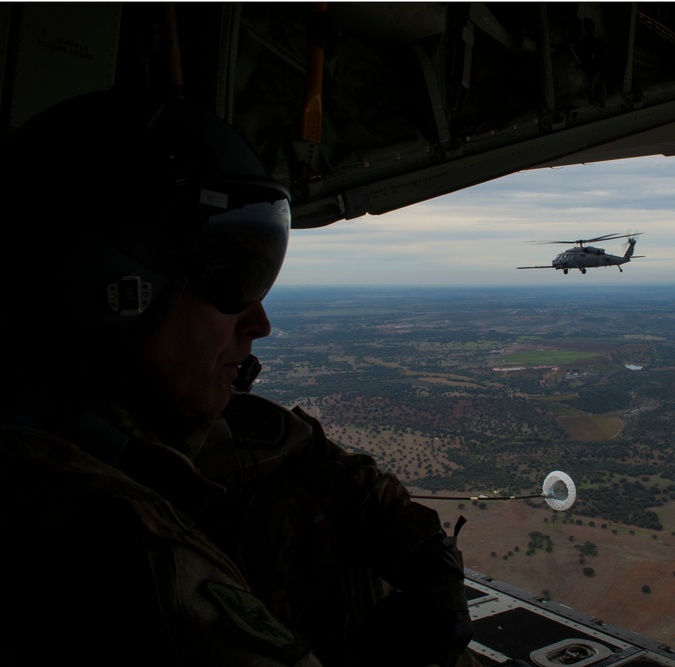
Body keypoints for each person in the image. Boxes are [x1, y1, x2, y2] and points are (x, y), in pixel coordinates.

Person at [0, 90, 471, 665]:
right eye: (232, 279)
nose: (260, 322)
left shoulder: (156, 425)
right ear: (113, 284)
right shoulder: (101, 544)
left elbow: (318, 465)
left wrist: (427, 555)